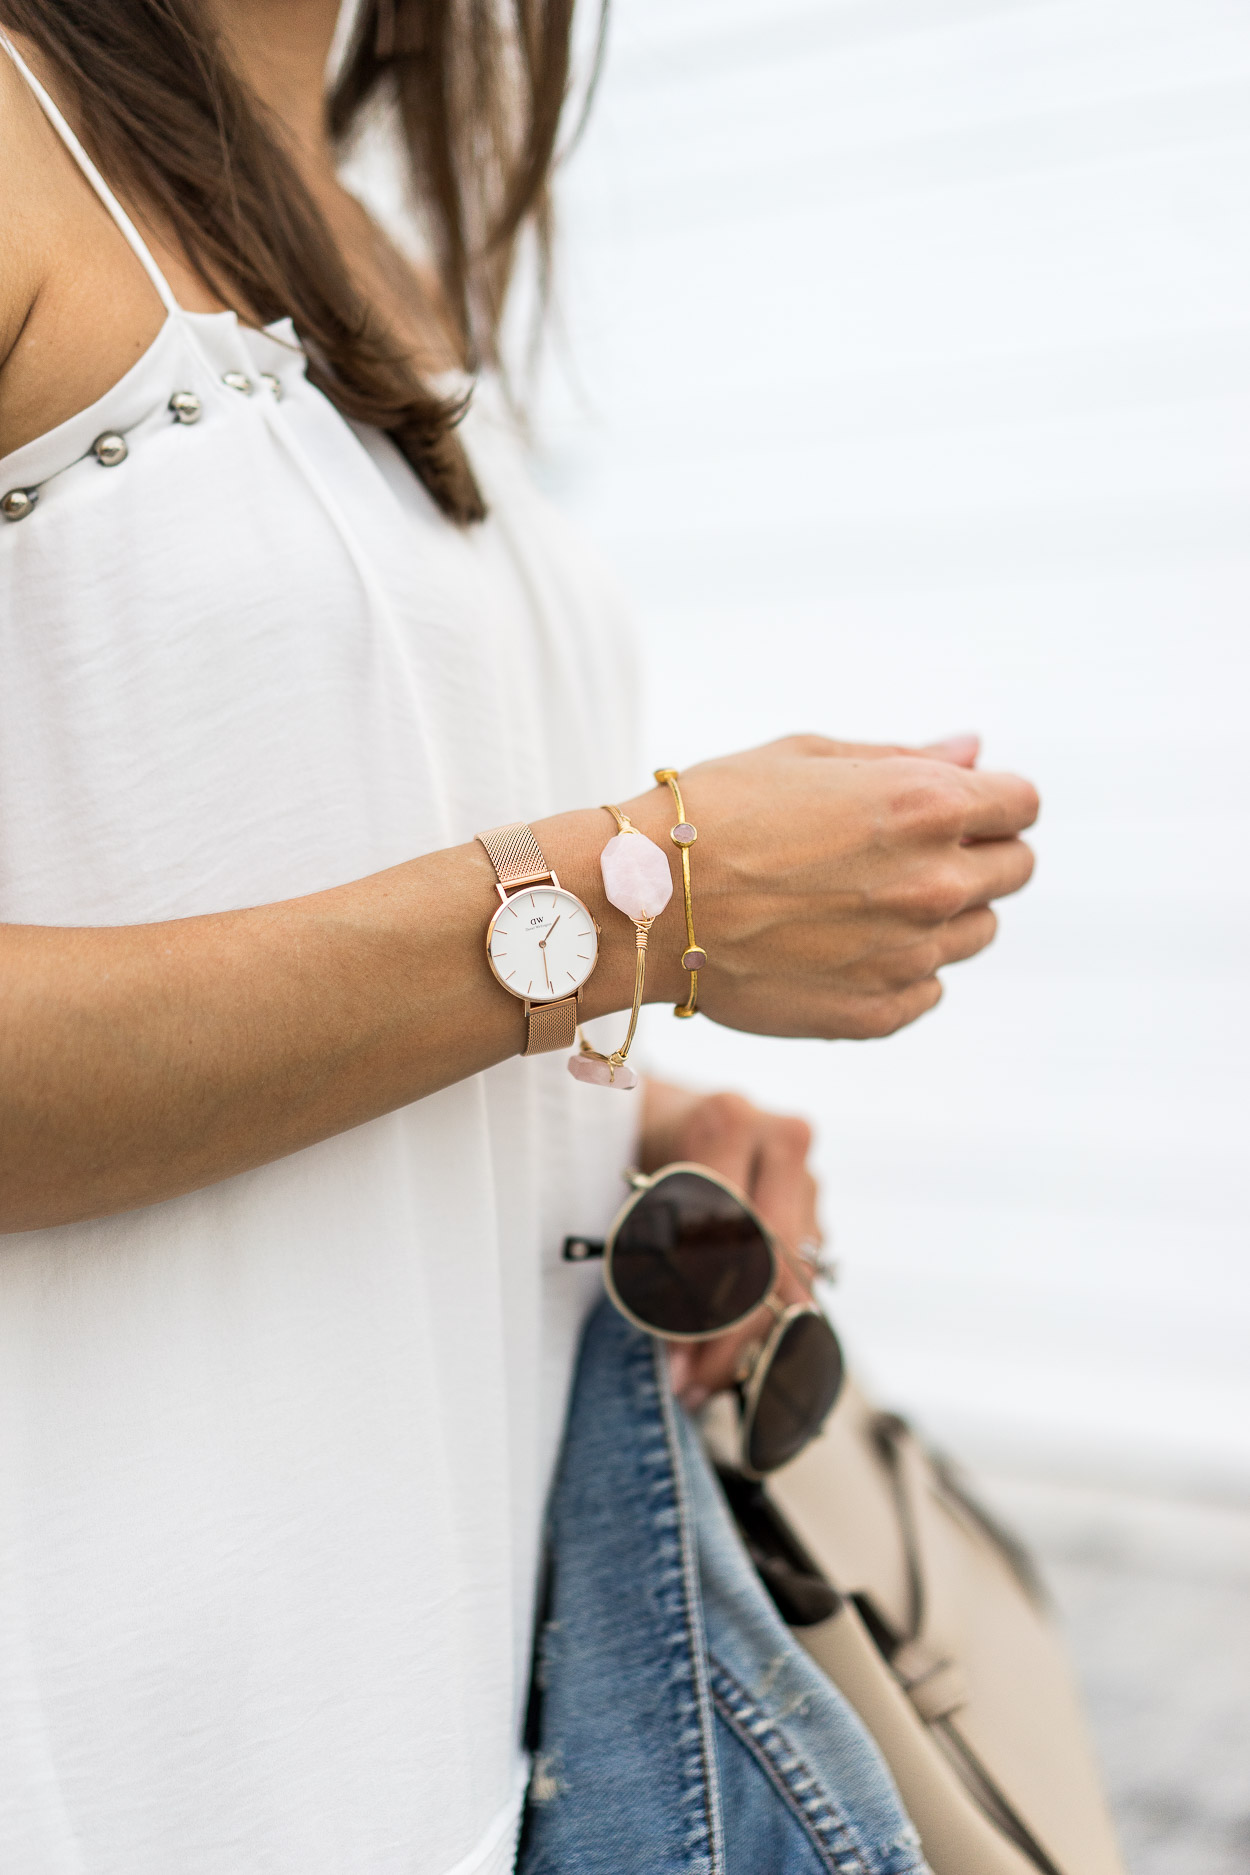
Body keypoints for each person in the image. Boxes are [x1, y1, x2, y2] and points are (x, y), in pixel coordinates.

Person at [0, 2, 1038, 1870]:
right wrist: (640, 901)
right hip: (116, 1748)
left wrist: (602, 1122)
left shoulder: (361, 217)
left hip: (477, 1739)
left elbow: (220, 872)